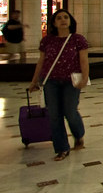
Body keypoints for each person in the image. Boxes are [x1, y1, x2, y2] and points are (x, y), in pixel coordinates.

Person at [28, 9, 90, 161]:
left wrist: (85, 78)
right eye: (59, 18)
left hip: (71, 81)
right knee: (54, 115)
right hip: (51, 81)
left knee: (70, 111)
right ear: (54, 23)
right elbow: (41, 61)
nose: (63, 20)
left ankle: (78, 134)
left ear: (70, 21)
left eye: (66, 17)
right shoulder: (47, 41)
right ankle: (62, 148)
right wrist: (34, 81)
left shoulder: (78, 39)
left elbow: (83, 60)